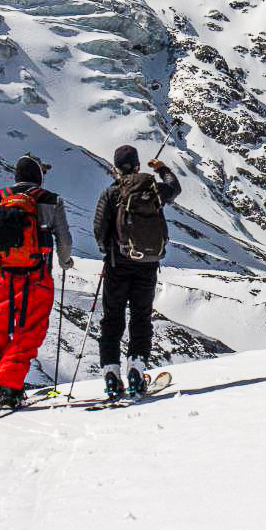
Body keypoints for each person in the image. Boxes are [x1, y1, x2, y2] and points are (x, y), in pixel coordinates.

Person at [0, 153, 73, 410]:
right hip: (37, 276)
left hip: (3, 275)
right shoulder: (51, 200)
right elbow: (64, 240)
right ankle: (10, 389)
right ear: (39, 177)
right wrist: (65, 262)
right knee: (28, 333)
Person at [92, 145, 181, 397]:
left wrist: (108, 251)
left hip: (117, 265)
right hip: (148, 265)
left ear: (115, 168)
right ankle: (137, 369)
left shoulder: (111, 193)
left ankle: (111, 374)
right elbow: (175, 187)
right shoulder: (154, 190)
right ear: (138, 165)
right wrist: (161, 168)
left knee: (112, 319)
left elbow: (99, 230)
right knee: (141, 318)